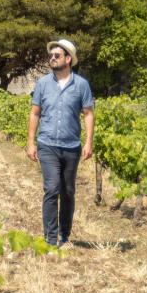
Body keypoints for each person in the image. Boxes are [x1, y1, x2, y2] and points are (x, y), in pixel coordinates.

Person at [27, 39, 94, 247]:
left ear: (68, 59)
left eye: (57, 55)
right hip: (47, 144)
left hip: (72, 146)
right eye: (51, 55)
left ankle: (65, 235)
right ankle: (50, 237)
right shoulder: (42, 84)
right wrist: (30, 142)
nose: (52, 58)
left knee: (68, 191)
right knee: (52, 188)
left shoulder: (81, 85)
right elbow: (35, 113)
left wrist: (89, 142)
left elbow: (88, 114)